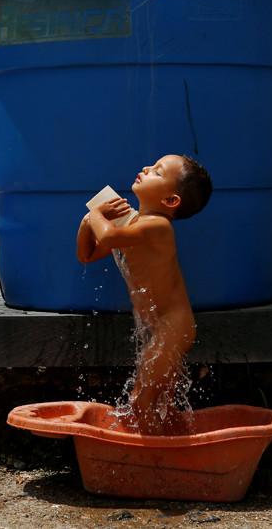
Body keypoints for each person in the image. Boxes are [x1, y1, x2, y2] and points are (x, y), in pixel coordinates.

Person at [76, 154, 212, 435]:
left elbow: (109, 238)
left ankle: (152, 457)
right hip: (163, 327)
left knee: (141, 400)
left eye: (157, 172)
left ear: (170, 201)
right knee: (157, 401)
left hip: (174, 328)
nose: (146, 168)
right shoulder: (134, 224)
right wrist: (86, 223)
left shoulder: (158, 226)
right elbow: (87, 254)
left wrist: (97, 216)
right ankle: (168, 443)